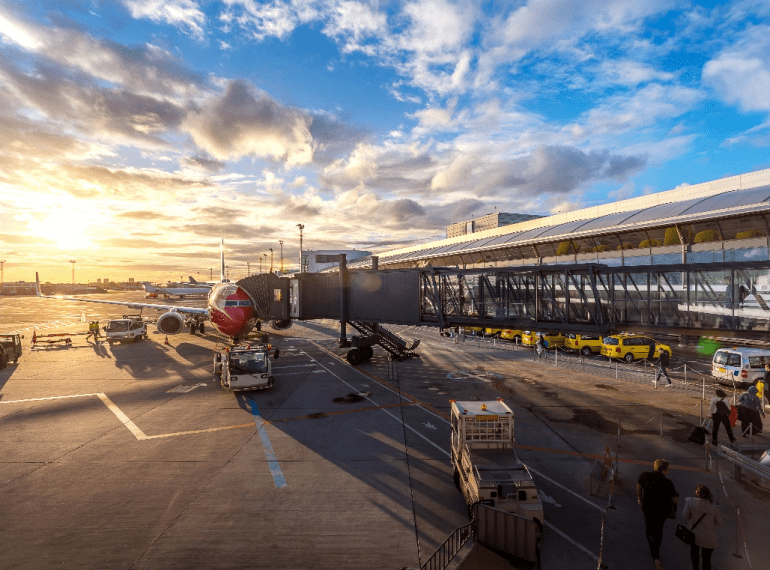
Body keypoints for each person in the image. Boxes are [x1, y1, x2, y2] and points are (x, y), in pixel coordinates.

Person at [637, 459, 679, 570]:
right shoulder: (669, 483)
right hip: (662, 512)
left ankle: (654, 554)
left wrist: (640, 499)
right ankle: (656, 553)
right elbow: (674, 499)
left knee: (649, 528)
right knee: (659, 529)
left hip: (648, 509)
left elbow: (638, 487)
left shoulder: (644, 475)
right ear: (665, 471)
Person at [682, 484, 723, 570]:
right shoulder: (713, 508)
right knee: (707, 560)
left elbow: (685, 515)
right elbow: (720, 523)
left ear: (697, 492)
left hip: (694, 535)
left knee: (694, 555)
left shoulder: (690, 501)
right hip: (709, 538)